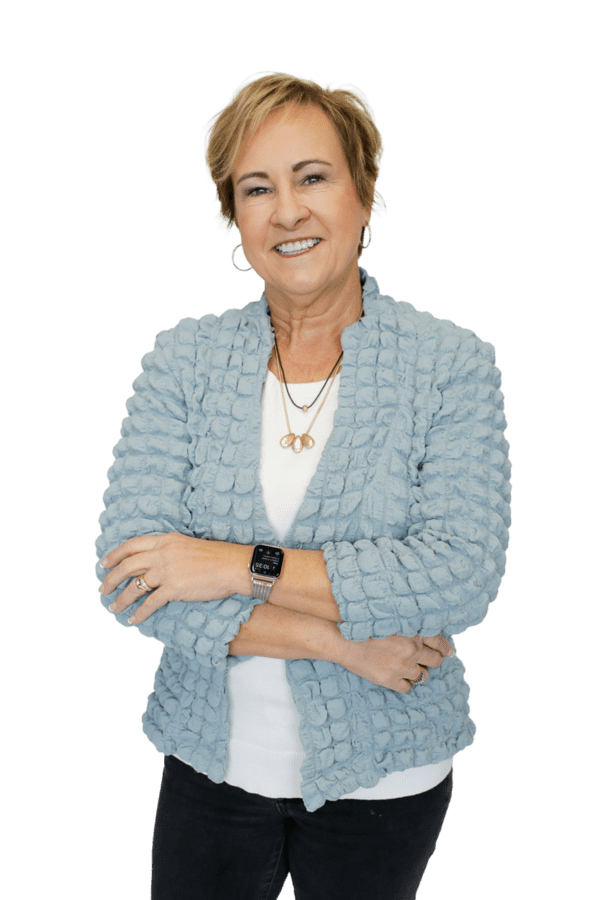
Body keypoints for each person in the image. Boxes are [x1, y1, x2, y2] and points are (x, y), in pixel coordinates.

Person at [95, 71, 512, 900]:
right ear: (233, 216)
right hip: (210, 765)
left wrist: (227, 564)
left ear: (365, 192)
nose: (287, 211)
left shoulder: (451, 365)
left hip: (385, 774)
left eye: (312, 177)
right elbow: (131, 578)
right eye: (257, 188)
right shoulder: (183, 361)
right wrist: (340, 643)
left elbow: (460, 575)